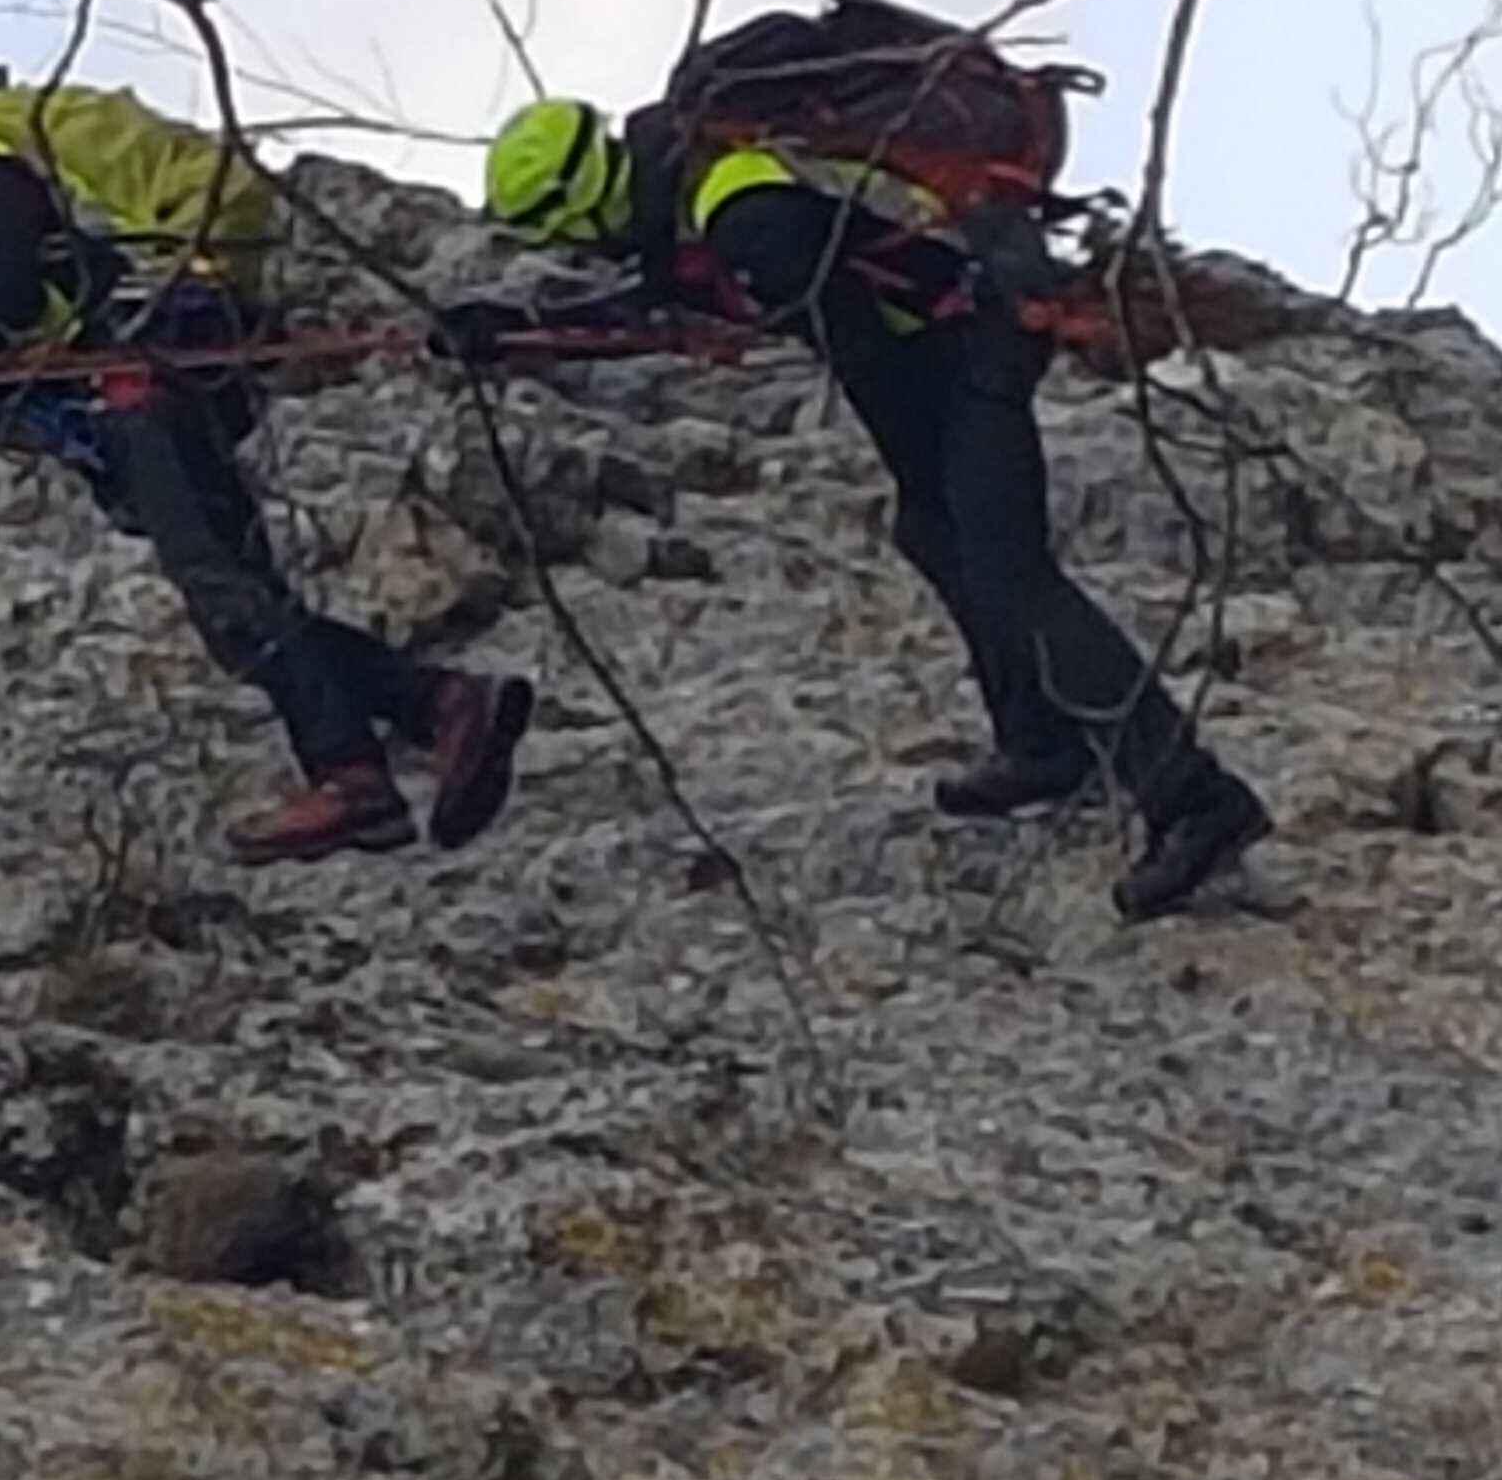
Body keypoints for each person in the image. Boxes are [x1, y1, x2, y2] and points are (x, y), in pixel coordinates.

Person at [448, 48, 1273, 920]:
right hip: (971, 314)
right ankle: (1038, 741)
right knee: (934, 531)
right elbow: (663, 304)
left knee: (1007, 570)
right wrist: (519, 329)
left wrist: (917, 461)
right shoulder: (707, 183)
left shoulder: (736, 210)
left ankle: (1194, 797)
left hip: (973, 333)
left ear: (573, 210)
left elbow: (862, 350)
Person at [0, 66, 532, 865]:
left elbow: (4, 308)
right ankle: (439, 705)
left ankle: (352, 774)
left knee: (224, 591)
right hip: (161, 382)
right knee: (238, 610)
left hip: (141, 386)